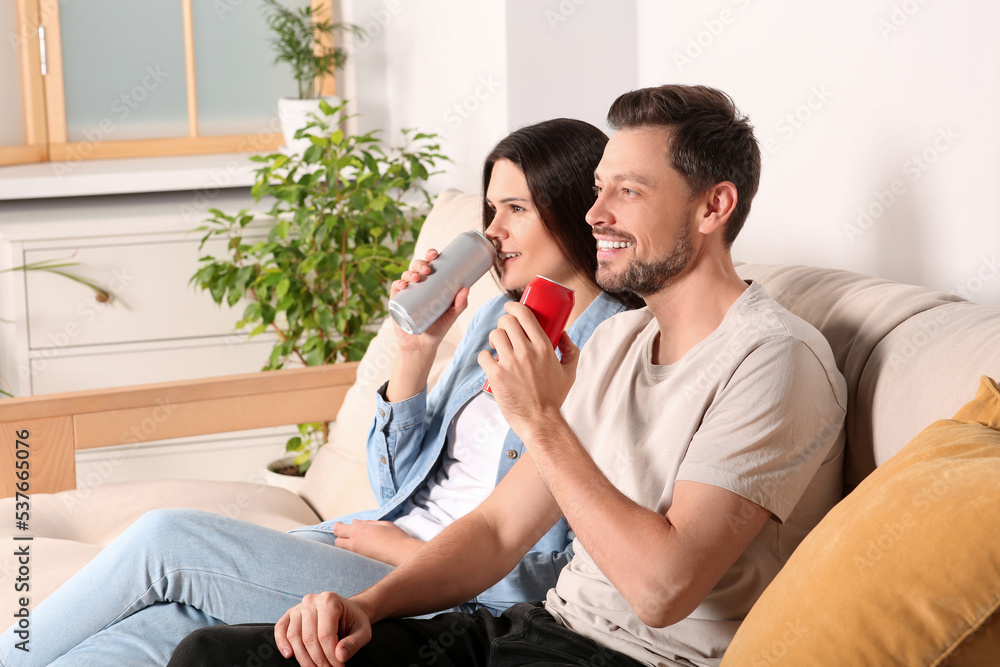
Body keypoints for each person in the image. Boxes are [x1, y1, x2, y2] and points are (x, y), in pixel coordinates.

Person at [167, 84, 848, 667]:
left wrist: (541, 421)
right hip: (538, 634)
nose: (595, 214)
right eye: (599, 188)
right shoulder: (620, 339)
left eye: (628, 192)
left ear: (712, 207)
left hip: (633, 658)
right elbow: (496, 531)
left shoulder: (773, 358)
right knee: (211, 654)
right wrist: (366, 605)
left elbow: (662, 589)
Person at [0, 118, 639, 667]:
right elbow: (395, 489)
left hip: (444, 589)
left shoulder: (617, 352)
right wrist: (415, 353)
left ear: (572, 210)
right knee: (171, 625)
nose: (493, 231)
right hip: (368, 542)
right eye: (490, 209)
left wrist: (406, 549)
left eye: (517, 209)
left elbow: (562, 568)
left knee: (169, 540)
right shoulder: (493, 320)